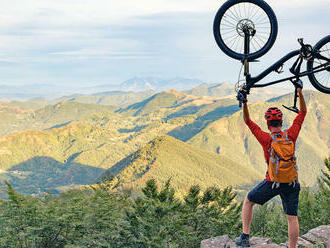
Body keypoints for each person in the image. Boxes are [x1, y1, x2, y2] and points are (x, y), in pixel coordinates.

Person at [235, 80, 307, 248]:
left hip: (272, 182)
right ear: (281, 121)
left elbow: (248, 121)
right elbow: (303, 112)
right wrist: (299, 91)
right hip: (291, 182)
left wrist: (244, 102)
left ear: (268, 123)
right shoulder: (291, 135)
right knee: (292, 218)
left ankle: (245, 237)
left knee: (248, 201)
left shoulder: (266, 139)